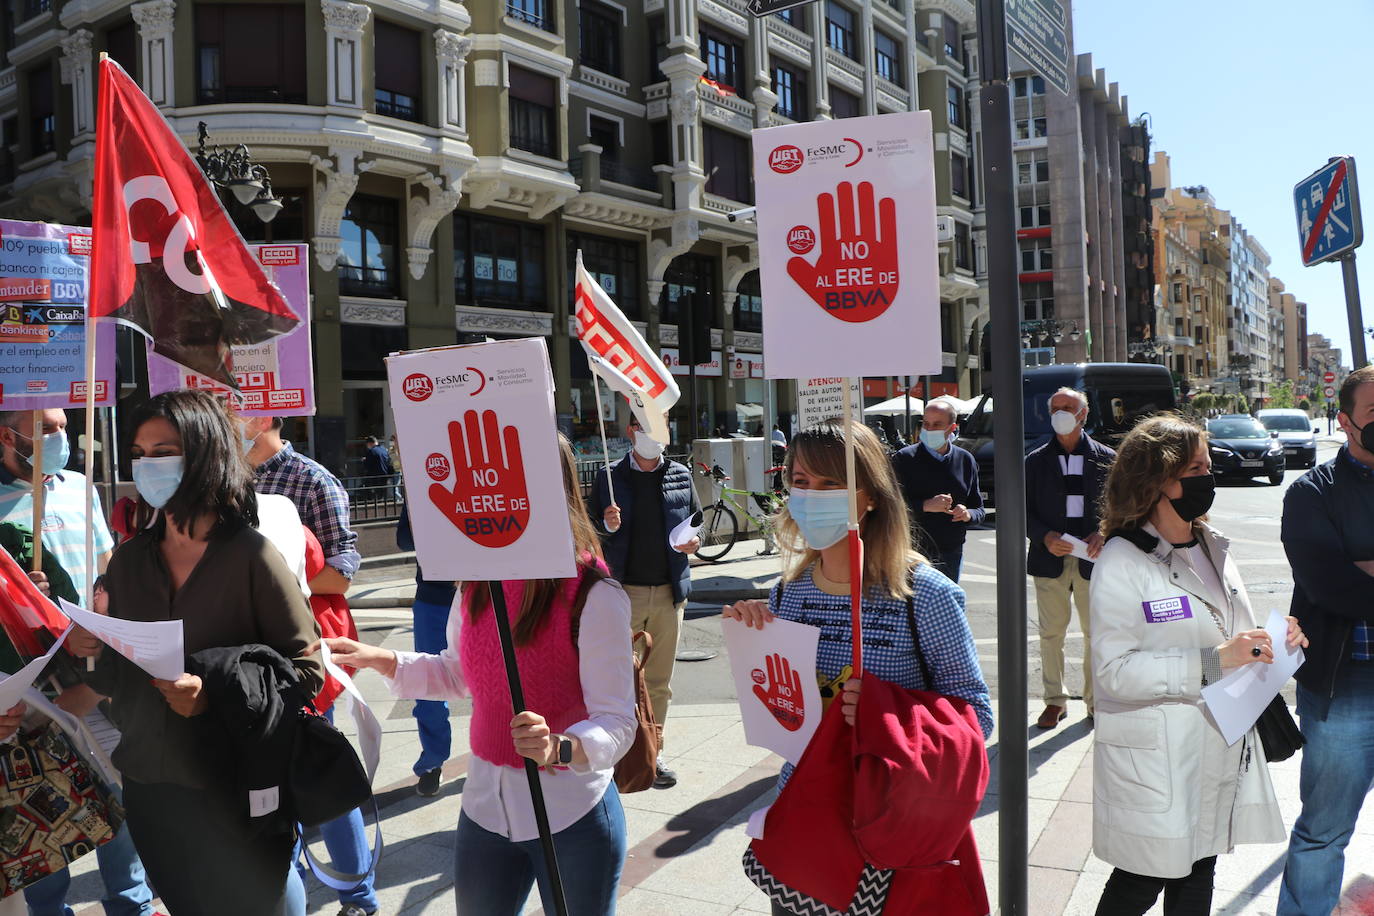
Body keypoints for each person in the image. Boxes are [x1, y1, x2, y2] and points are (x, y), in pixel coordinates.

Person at [327, 434, 635, 915]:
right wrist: (379, 659)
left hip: (573, 813)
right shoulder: (475, 580)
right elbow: (460, 675)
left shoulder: (594, 594)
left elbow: (618, 721)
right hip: (485, 810)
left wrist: (561, 746)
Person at [69, 389, 321, 916]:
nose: (147, 465)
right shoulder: (128, 562)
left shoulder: (252, 556)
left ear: (204, 452)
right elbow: (114, 678)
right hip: (153, 789)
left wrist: (212, 695)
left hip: (239, 783)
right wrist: (86, 652)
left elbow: (305, 672)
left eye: (164, 451)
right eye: (139, 453)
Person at [724, 420, 992, 915]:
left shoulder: (924, 595)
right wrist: (753, 635)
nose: (810, 496)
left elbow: (977, 716)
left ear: (870, 496)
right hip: (802, 818)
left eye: (830, 482)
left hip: (885, 824)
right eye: (800, 482)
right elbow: (783, 708)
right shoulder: (788, 590)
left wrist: (883, 714)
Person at [1088, 414, 1303, 915]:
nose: (1209, 477)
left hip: (1217, 744)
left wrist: (1277, 639)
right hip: (1160, 756)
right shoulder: (1123, 559)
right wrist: (1213, 660)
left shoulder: (1212, 545)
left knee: (1200, 869)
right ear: (1157, 479)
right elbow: (1113, 672)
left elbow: (1233, 632)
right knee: (1143, 877)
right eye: (1197, 468)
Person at [0, 409, 159, 916]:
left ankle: (131, 903)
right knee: (46, 804)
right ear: (8, 435)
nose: (61, 436)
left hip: (97, 669)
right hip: (31, 678)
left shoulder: (79, 487)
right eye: (46, 428)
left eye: (63, 426)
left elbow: (107, 566)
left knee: (119, 791)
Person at [241, 415, 375, 916]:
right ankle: (286, 885)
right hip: (251, 659)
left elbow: (343, 571)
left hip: (305, 655)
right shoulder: (223, 476)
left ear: (267, 416)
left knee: (323, 774)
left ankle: (357, 896)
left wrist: (279, 581)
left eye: (239, 408)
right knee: (270, 782)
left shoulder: (312, 479)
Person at [1277, 365, 1374, 915]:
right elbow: (1331, 587)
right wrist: (1352, 574)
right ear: (1344, 421)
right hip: (1345, 686)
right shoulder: (1311, 493)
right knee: (1324, 831)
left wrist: (1362, 564)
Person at [588, 413, 700, 788]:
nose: (654, 434)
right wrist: (606, 525)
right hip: (624, 593)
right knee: (618, 680)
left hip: (669, 593)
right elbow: (587, 534)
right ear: (630, 431)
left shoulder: (681, 474)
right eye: (645, 426)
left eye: (660, 426)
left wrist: (694, 543)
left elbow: (697, 525)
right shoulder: (609, 477)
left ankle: (654, 751)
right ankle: (614, 754)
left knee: (658, 682)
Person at [1025, 387, 1115, 728]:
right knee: (1051, 633)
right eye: (1056, 407)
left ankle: (1095, 701)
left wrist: (1105, 531)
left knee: (1096, 634)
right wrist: (1044, 536)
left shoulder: (1107, 457)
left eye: (1068, 407)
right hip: (1050, 559)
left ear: (1083, 415)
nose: (1061, 412)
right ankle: (1055, 700)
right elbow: (1020, 509)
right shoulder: (1034, 461)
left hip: (1094, 559)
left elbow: (1121, 506)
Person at [396, 503, 456, 797]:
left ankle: (511, 758)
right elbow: (404, 539)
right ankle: (432, 763)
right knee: (429, 687)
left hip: (484, 595)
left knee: (502, 683)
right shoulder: (423, 483)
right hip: (433, 599)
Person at [890, 398, 985, 582]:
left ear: (952, 427)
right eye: (926, 424)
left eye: (937, 424)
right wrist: (925, 505)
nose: (929, 429)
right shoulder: (904, 459)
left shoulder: (965, 460)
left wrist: (967, 514)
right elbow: (891, 507)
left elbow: (979, 509)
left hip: (951, 552)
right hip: (914, 552)